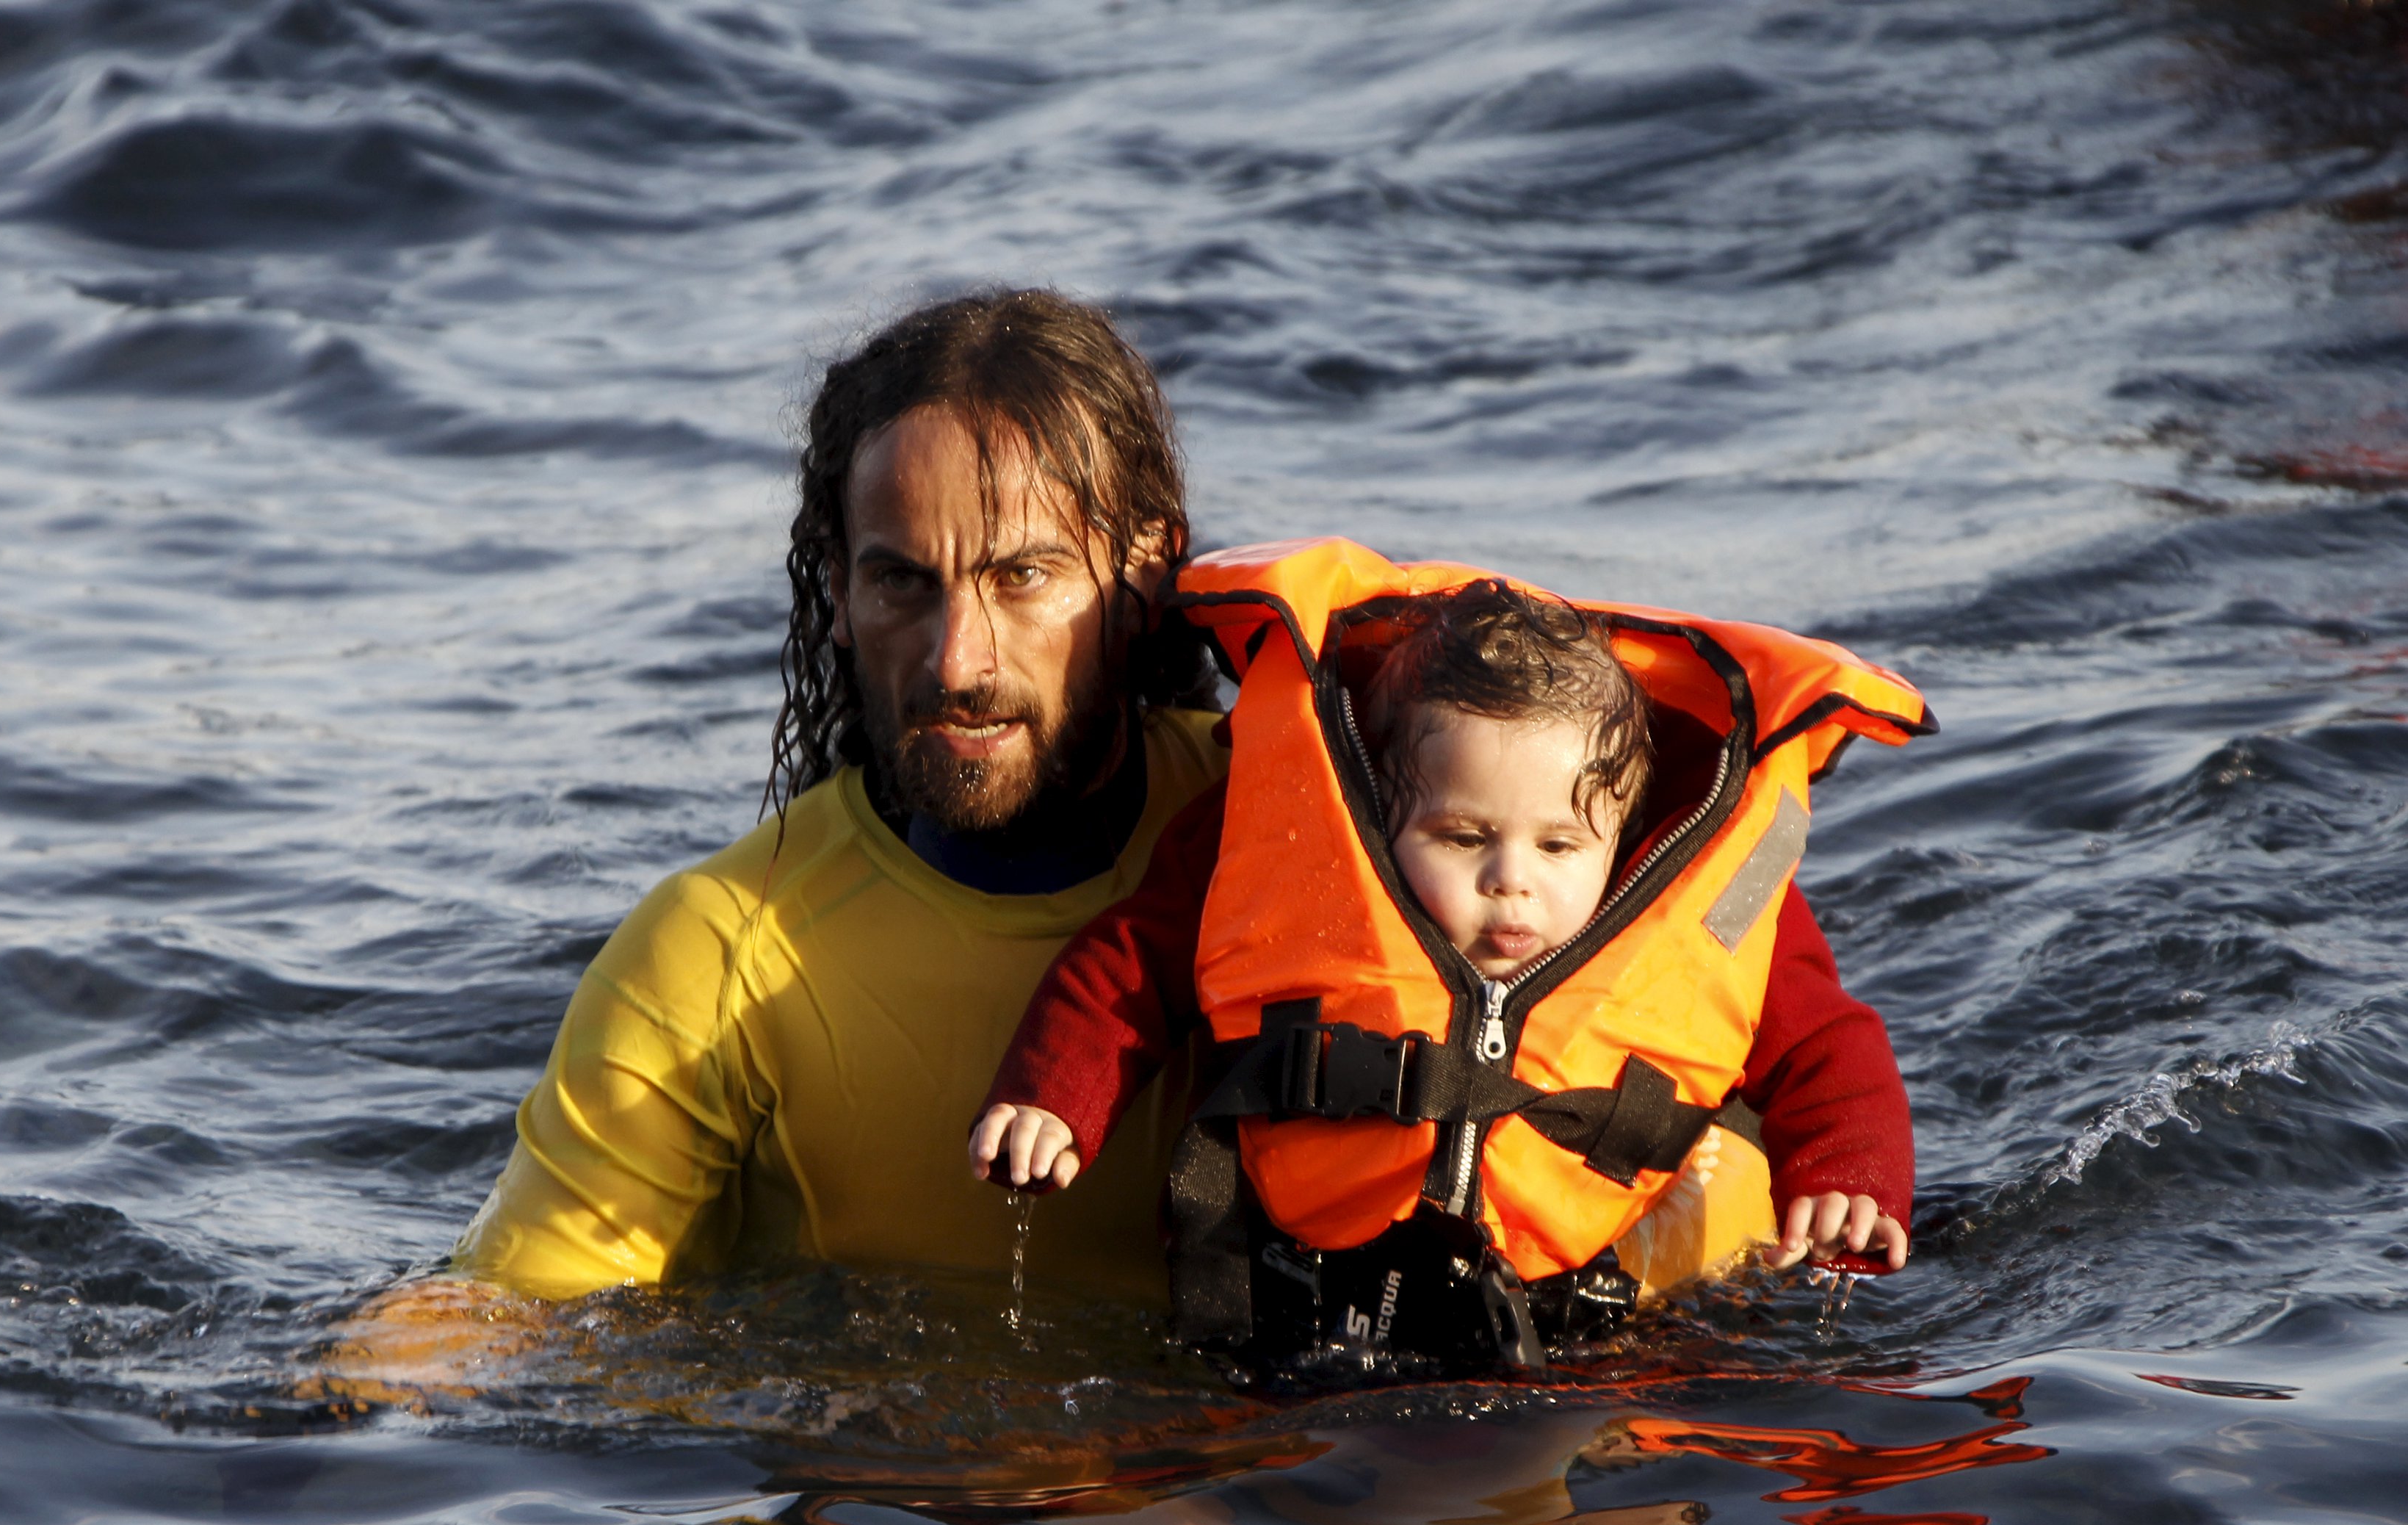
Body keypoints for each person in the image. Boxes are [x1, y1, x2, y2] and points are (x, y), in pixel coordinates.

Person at [450, 288, 1230, 1304]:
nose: (957, 662)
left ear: (1149, 571)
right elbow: (506, 1326)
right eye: (904, 582)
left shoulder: (1308, 836)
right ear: (840, 597)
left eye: (1023, 575)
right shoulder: (717, 955)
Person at [969, 549, 1926, 1374]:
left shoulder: (1694, 901)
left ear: (1623, 833)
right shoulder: (1286, 851)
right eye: (1465, 837)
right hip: (1304, 1303)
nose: (1513, 882)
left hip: (1603, 1320)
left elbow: (1827, 1044)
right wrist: (1054, 1096)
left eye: (1559, 847)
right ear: (1388, 806)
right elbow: (1134, 960)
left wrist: (1848, 1179)